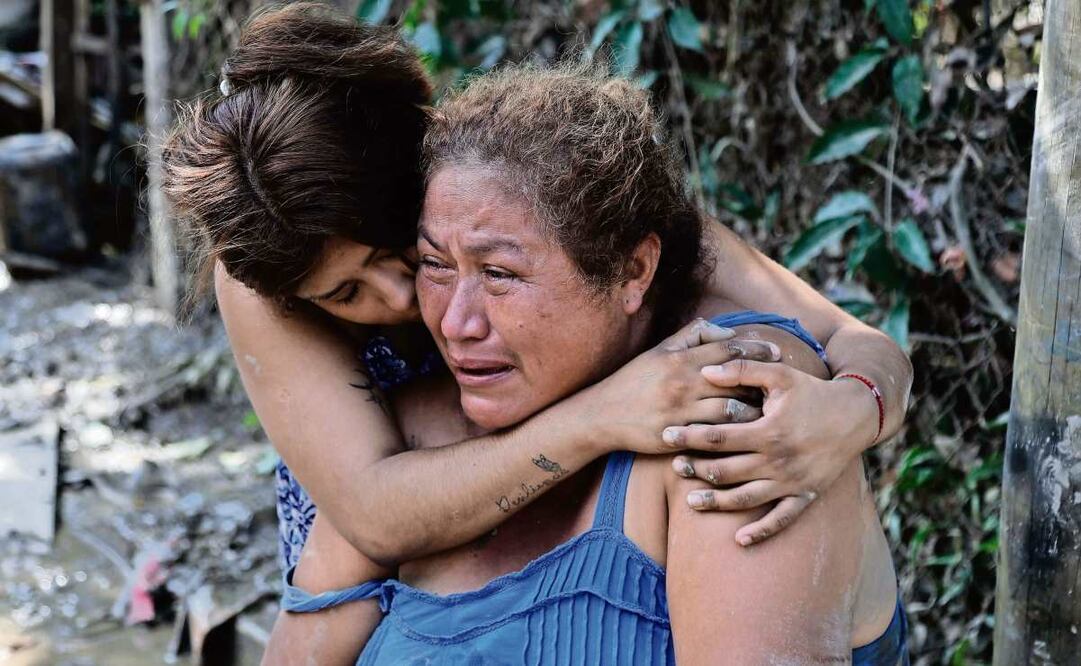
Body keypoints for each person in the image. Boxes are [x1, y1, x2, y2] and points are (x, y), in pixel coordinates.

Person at [160, 4, 911, 662]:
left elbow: (850, 336)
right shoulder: (270, 259)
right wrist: (600, 415)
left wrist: (849, 410)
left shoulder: (510, 177)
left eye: (405, 254)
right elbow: (371, 512)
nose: (409, 304)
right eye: (345, 293)